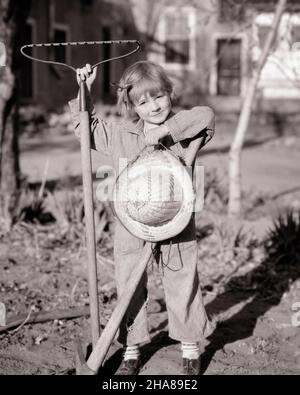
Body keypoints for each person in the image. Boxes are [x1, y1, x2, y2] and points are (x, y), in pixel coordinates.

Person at [69, 60, 215, 375]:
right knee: (129, 284)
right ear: (132, 105)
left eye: (159, 97)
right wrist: (84, 89)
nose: (153, 107)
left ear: (170, 94)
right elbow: (87, 129)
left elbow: (207, 116)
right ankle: (131, 350)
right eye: (143, 102)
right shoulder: (123, 133)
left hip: (176, 219)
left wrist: (166, 131)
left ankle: (190, 348)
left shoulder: (183, 127)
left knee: (181, 280)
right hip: (132, 222)